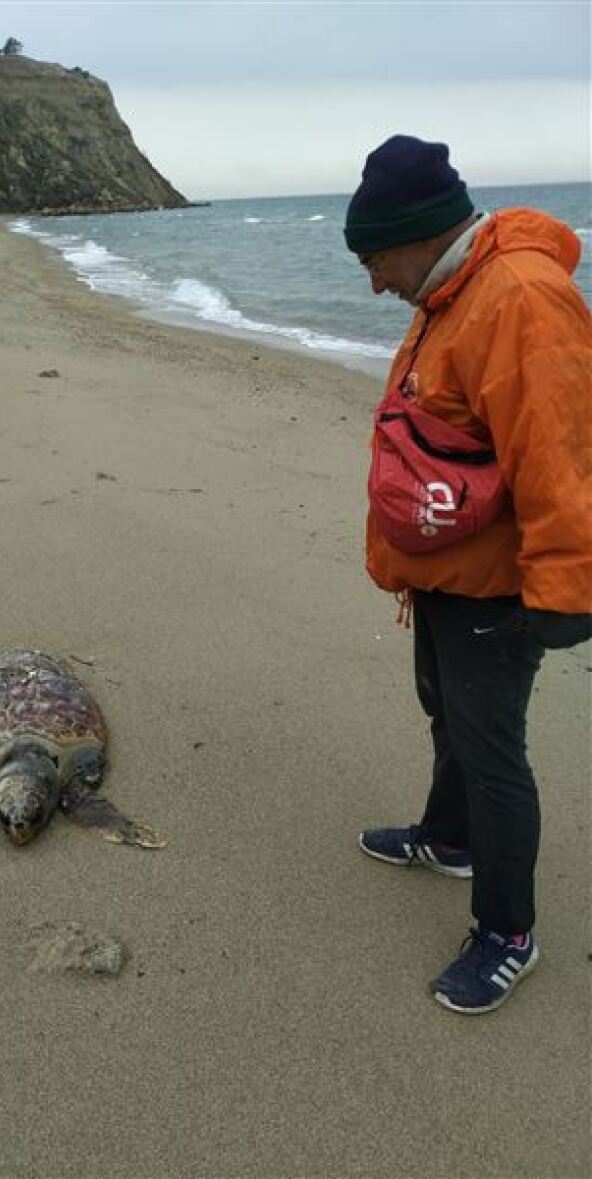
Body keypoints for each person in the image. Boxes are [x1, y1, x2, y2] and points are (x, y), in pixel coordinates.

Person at [343, 134, 592, 1014]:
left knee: (493, 755)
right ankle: (450, 839)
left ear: (417, 236)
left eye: (375, 261)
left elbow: (562, 457)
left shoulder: (520, 297)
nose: (375, 284)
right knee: (446, 709)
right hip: (449, 571)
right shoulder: (452, 288)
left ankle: (508, 934)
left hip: (499, 585)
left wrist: (564, 588)